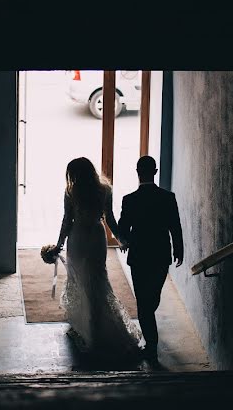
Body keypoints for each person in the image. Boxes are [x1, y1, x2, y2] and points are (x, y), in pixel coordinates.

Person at [56, 157, 141, 358]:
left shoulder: (71, 192)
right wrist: (120, 238)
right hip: (96, 236)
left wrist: (59, 244)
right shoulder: (104, 190)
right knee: (97, 279)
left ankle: (86, 326)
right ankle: (96, 323)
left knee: (78, 280)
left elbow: (67, 220)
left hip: (77, 237)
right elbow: (109, 218)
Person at [117, 155, 184, 362]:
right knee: (151, 299)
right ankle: (152, 345)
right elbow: (175, 227)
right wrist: (179, 250)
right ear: (155, 172)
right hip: (161, 255)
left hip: (138, 256)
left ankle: (151, 344)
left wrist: (126, 241)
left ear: (138, 173)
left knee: (144, 302)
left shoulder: (129, 200)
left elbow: (122, 229)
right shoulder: (168, 197)